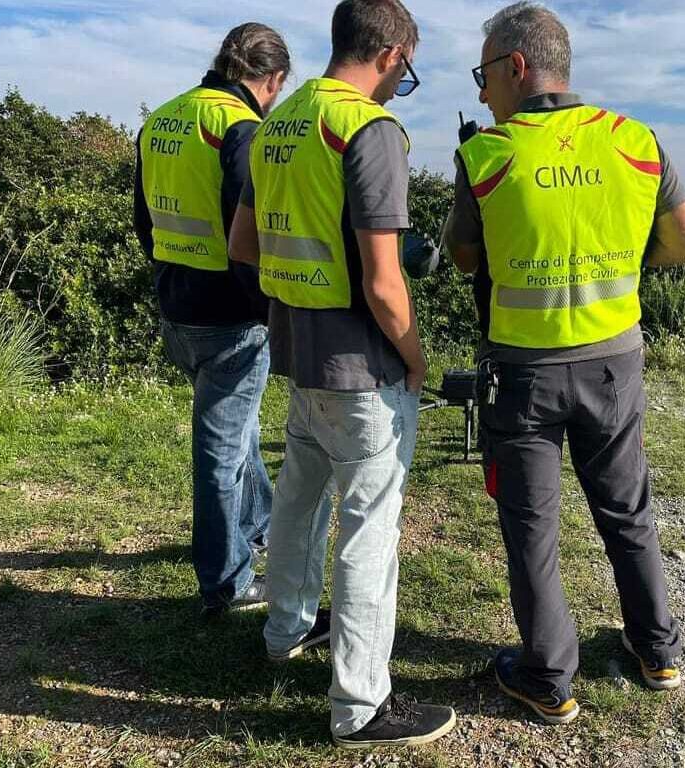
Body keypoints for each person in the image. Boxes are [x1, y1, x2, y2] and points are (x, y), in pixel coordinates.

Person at [444, 1, 685, 725]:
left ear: (517, 67)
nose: (480, 92)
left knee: (532, 527)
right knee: (628, 512)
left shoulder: (486, 155)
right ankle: (658, 652)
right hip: (614, 363)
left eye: (483, 73)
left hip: (523, 374)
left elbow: (465, 256)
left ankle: (548, 680)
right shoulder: (635, 140)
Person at [228, 0, 456, 749]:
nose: (401, 87)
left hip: (297, 348)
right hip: (363, 367)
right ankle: (360, 705)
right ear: (392, 54)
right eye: (408, 72)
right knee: (369, 530)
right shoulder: (369, 129)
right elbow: (387, 284)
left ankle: (285, 630)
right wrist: (417, 362)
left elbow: (244, 245)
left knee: (298, 497)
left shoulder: (279, 123)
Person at [134, 23, 290, 617]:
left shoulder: (164, 118)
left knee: (238, 429)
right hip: (229, 318)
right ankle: (226, 580)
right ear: (271, 78)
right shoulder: (240, 129)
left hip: (177, 302)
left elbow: (143, 220)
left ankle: (258, 526)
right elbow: (245, 237)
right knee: (222, 450)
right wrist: (267, 311)